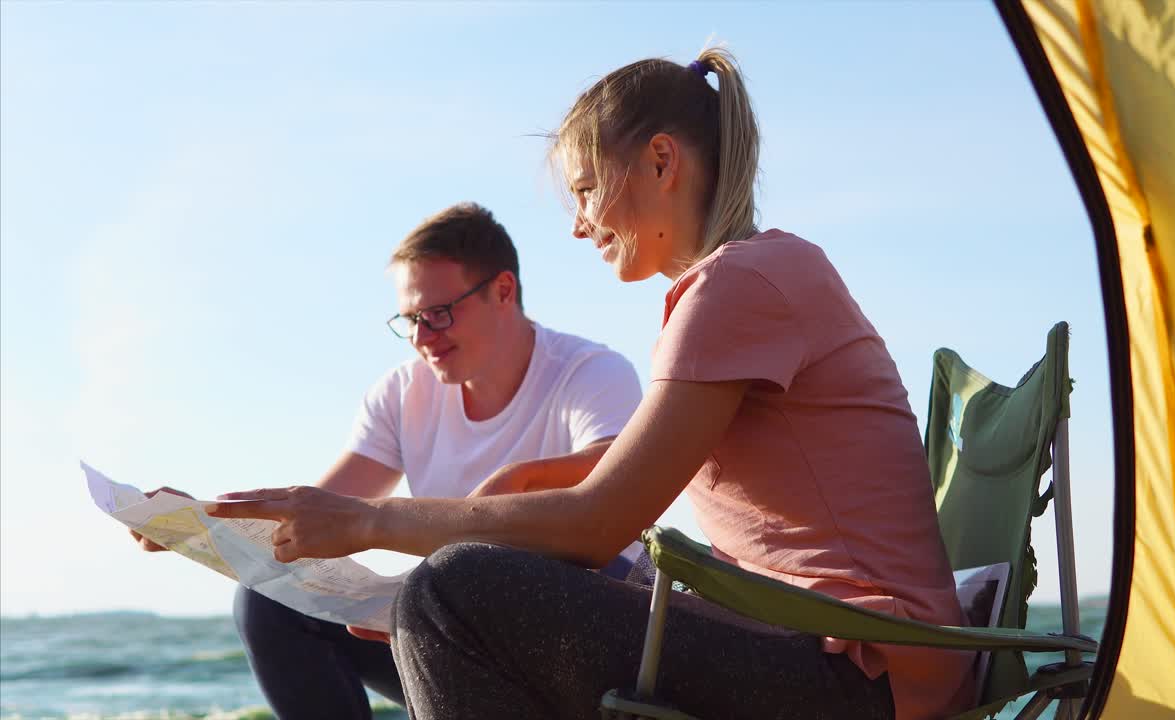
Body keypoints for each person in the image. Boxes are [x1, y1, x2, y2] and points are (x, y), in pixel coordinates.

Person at [208, 49, 975, 720]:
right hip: (827, 650)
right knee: (449, 591)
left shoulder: (739, 286)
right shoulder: (753, 279)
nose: (578, 224)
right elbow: (615, 483)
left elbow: (598, 521)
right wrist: (501, 497)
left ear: (661, 161)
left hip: (861, 678)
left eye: (582, 189)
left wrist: (372, 524)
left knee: (453, 590)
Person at [135, 202, 643, 720]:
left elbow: (616, 473)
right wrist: (202, 520)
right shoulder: (402, 393)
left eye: (439, 314)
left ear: (503, 290)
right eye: (410, 320)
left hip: (579, 629)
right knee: (270, 602)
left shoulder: (590, 372)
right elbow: (318, 513)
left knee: (469, 575)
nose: (422, 338)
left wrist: (520, 479)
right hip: (455, 625)